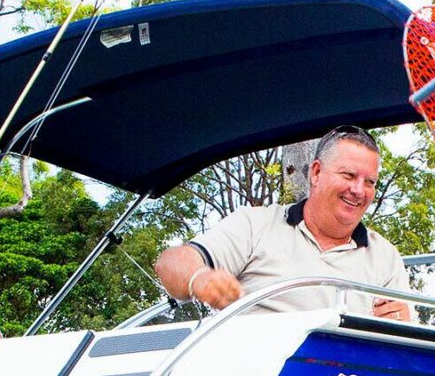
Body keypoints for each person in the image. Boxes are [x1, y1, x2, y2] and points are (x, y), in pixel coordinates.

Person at [151, 126, 414, 319]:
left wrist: (405, 325)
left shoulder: (387, 257)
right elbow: (169, 264)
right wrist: (200, 278)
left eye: (370, 182)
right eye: (349, 175)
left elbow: (411, 350)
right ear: (316, 173)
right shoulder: (256, 225)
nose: (359, 190)